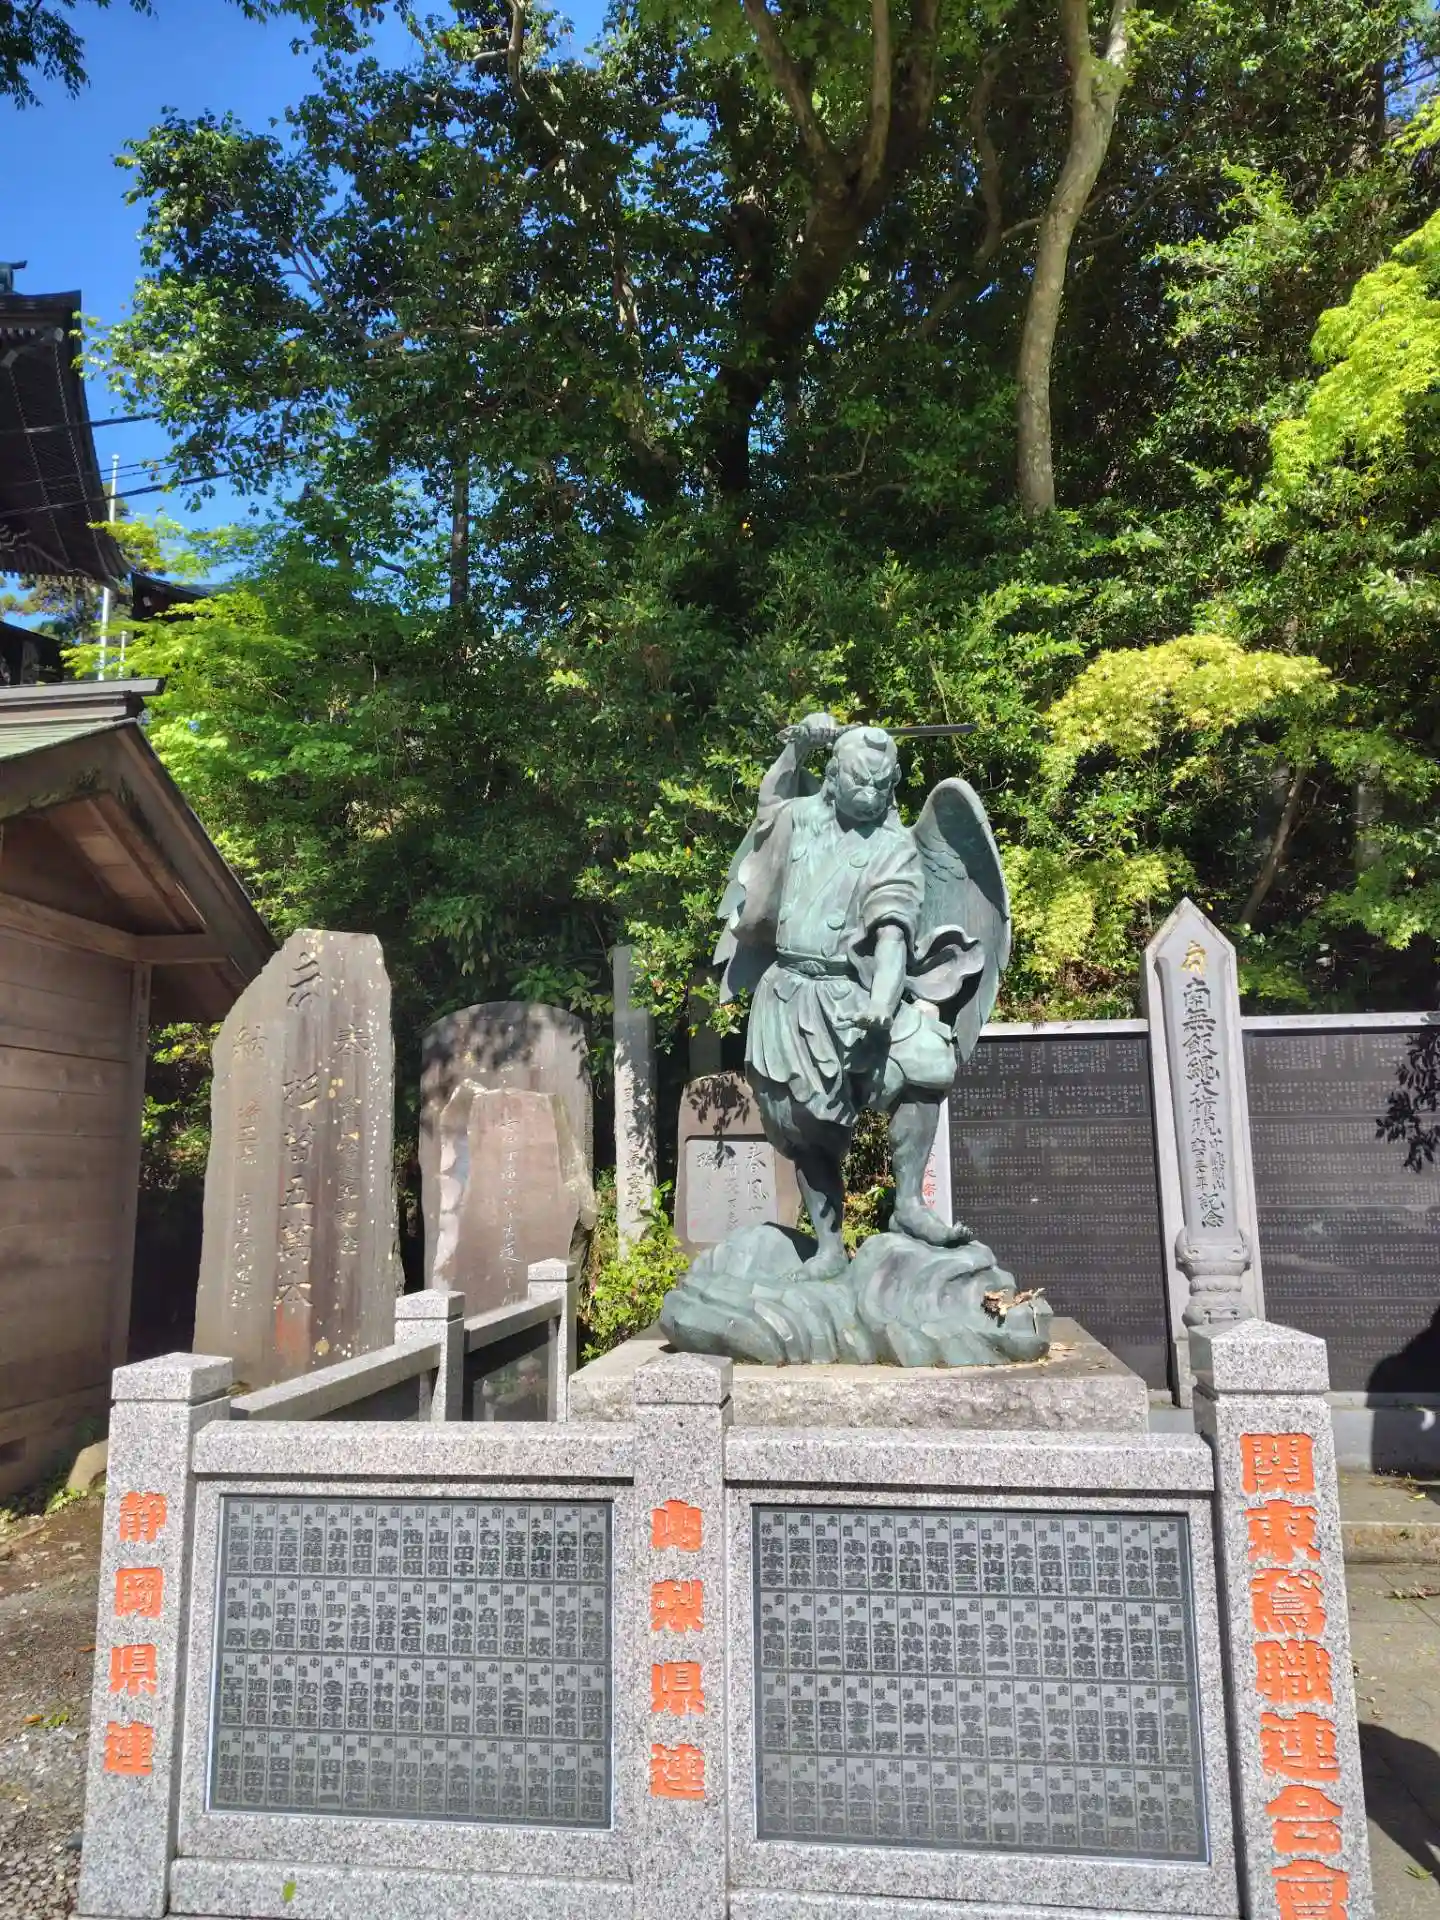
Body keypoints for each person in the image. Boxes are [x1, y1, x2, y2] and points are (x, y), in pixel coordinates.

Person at [717, 711, 970, 1279]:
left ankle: (909, 1203)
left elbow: (893, 931)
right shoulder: (802, 819)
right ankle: (828, 1246)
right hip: (789, 994)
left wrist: (883, 997)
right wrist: (796, 748)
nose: (870, 793)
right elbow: (768, 805)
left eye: (882, 784)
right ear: (833, 776)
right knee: (806, 1125)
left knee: (926, 1062)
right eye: (859, 780)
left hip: (855, 992)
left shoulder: (894, 846)